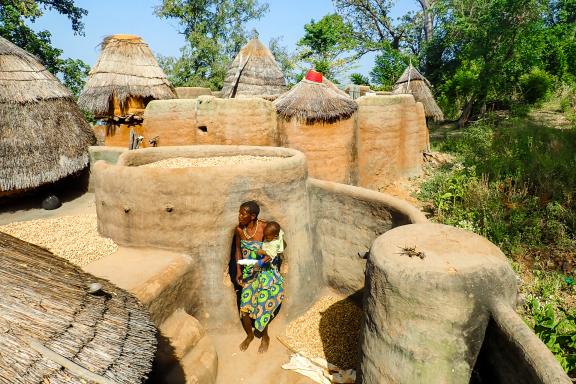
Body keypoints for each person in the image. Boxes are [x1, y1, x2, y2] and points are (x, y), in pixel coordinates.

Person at [235, 201, 285, 353]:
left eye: (243, 214)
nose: (239, 216)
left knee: (262, 303)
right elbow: (237, 250)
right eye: (239, 213)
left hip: (265, 271)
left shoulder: (265, 227)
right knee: (245, 304)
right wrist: (238, 271)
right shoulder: (239, 230)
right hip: (249, 272)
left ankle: (265, 336)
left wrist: (272, 256)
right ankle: (250, 335)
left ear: (253, 216)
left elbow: (282, 244)